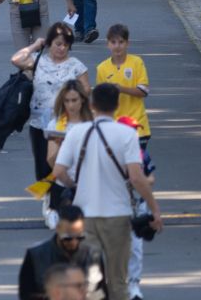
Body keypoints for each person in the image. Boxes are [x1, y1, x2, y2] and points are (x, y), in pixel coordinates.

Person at [54, 84, 163, 300]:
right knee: (118, 280)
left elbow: (59, 172)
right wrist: (154, 209)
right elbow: (136, 177)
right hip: (118, 216)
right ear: (117, 105)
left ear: (92, 105)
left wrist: (74, 186)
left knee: (91, 280)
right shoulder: (126, 134)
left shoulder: (77, 133)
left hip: (86, 217)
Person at [11, 23, 90, 182]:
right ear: (49, 43)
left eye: (66, 45)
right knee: (43, 170)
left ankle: (65, 200)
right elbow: (15, 59)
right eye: (58, 44)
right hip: (40, 124)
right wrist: (35, 45)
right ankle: (49, 203)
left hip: (67, 125)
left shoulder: (76, 65)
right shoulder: (38, 60)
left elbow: (86, 92)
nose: (62, 48)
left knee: (65, 166)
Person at [18, 205, 108, 300]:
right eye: (68, 238)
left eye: (79, 237)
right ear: (57, 228)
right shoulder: (35, 256)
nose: (74, 242)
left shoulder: (93, 256)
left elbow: (101, 293)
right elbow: (26, 295)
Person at [96, 25, 150, 149]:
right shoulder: (102, 68)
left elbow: (144, 90)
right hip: (113, 126)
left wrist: (121, 89)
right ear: (108, 44)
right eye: (113, 42)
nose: (117, 46)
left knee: (136, 165)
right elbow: (100, 101)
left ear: (127, 43)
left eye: (121, 42)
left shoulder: (137, 62)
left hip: (137, 125)